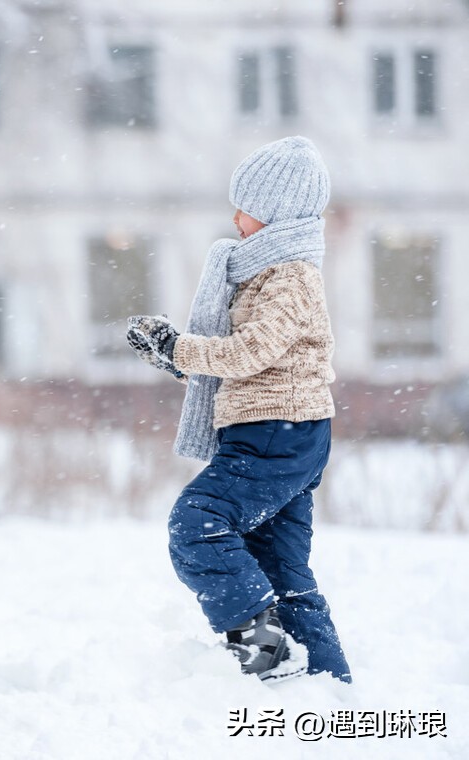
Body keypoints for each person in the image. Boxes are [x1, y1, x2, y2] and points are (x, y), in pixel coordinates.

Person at [126, 136, 351, 684]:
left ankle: (262, 648)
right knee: (281, 566)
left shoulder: (291, 277)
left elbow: (251, 352)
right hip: (283, 430)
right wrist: (173, 357)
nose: (235, 217)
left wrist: (181, 346)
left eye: (245, 206)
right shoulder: (268, 274)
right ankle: (326, 687)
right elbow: (250, 360)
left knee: (197, 524)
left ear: (275, 214)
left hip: (278, 431)